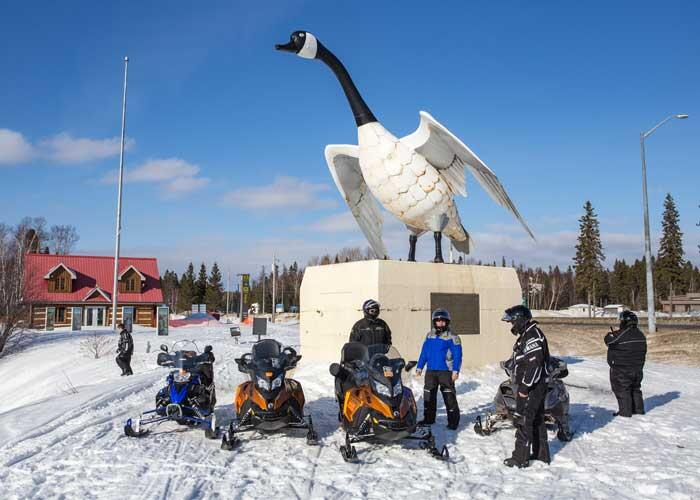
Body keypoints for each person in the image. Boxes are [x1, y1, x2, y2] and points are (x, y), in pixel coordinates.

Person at [501, 305, 550, 468]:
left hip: (531, 387)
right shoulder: (527, 335)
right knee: (536, 419)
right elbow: (522, 359)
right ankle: (541, 454)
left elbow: (534, 365)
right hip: (533, 386)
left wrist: (524, 389)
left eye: (512, 322)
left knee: (522, 420)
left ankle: (519, 458)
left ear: (520, 320)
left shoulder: (532, 337)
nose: (512, 326)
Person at [415, 308, 462, 430]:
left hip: (445, 372)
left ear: (447, 322)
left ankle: (453, 422)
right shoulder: (429, 335)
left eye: (443, 321)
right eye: (438, 321)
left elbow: (457, 355)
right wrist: (420, 366)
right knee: (429, 395)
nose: (440, 323)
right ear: (434, 322)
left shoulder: (453, 337)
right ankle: (428, 419)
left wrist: (456, 370)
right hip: (431, 371)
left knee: (449, 396)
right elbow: (424, 352)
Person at [604, 310, 647, 417]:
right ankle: (638, 410)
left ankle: (625, 413)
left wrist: (612, 333)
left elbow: (608, 340)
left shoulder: (622, 333)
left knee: (622, 389)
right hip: (638, 368)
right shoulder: (640, 334)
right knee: (635, 388)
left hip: (621, 369)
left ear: (624, 321)